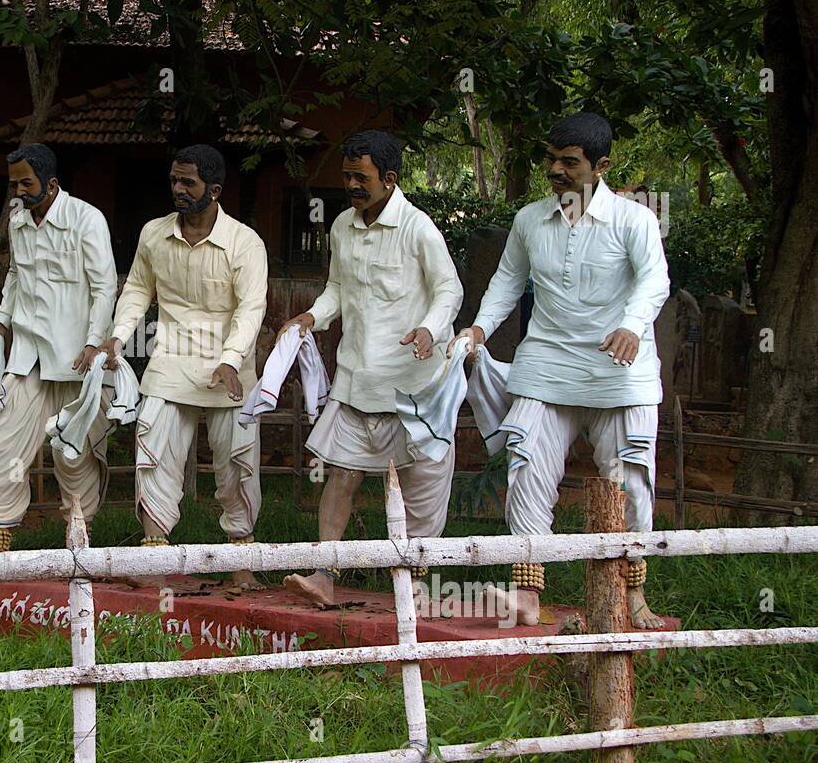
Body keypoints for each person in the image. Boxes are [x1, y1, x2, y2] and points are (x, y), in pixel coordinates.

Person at [448, 112, 669, 628]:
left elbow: (654, 282)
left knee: (630, 484)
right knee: (526, 470)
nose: (556, 170)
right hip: (546, 366)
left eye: (570, 162)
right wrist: (478, 329)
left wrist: (632, 326)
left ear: (601, 166)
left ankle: (632, 597)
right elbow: (507, 281)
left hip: (620, 371)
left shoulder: (635, 221)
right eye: (551, 159)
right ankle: (527, 594)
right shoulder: (530, 221)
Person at [278, 130, 464, 608]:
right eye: (346, 176)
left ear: (390, 178)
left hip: (413, 385)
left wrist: (428, 328)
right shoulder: (342, 226)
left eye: (360, 177)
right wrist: (311, 317)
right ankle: (324, 574)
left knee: (421, 489)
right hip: (357, 377)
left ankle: (417, 588)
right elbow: (336, 289)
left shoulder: (419, 228)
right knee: (340, 476)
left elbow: (450, 290)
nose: (351, 185)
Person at [96, 144, 268, 591]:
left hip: (229, 366)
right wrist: (117, 336)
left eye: (187, 182)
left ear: (213, 189)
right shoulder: (153, 234)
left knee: (237, 462)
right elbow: (136, 289)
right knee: (154, 451)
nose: (177, 188)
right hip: (170, 359)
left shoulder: (245, 242)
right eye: (173, 180)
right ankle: (155, 556)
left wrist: (231, 360)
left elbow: (251, 309)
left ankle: (241, 562)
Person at [0, 143, 118, 550]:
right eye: (13, 183)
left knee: (73, 456)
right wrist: (1, 322)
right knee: (4, 445)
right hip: (28, 358)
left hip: (75, 360)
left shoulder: (86, 219)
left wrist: (94, 343)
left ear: (51, 183)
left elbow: (105, 287)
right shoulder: (18, 221)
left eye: (26, 182)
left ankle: (78, 550)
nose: (17, 190)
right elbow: (16, 278)